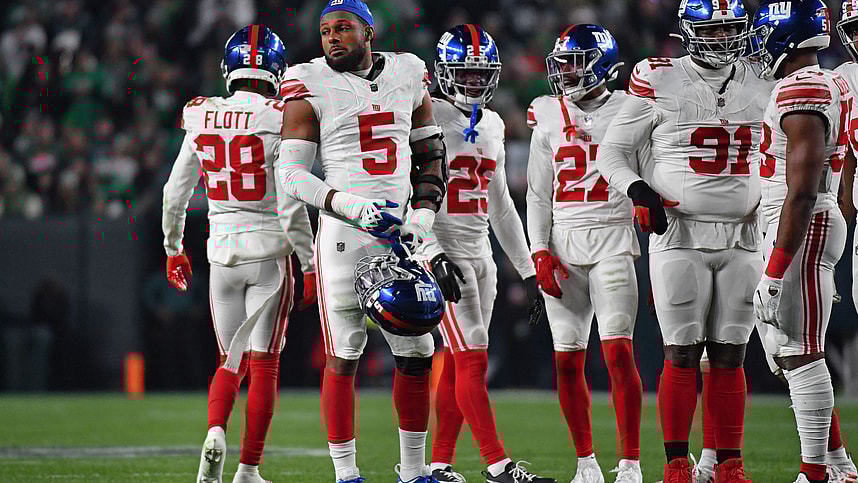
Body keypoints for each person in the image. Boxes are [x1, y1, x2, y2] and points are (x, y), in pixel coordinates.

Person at [596, 0, 773, 481]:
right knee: (682, 350)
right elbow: (612, 151)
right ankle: (677, 463)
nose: (722, 40)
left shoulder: (763, 78)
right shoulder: (660, 77)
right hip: (679, 233)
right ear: (688, 32)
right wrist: (638, 191)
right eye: (712, 31)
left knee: (731, 352)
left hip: (744, 234)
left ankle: (728, 464)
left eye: (731, 30)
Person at [276, 1, 447, 482]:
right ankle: (345, 475)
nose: (332, 37)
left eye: (343, 28)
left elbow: (431, 153)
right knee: (344, 353)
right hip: (343, 236)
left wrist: (424, 214)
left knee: (417, 352)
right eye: (325, 30)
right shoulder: (309, 80)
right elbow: (289, 174)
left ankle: (413, 472)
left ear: (369, 31)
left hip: (398, 237)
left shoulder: (409, 71)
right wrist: (347, 204)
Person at [161, 25, 315, 483]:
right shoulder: (280, 115)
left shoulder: (202, 114)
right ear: (276, 69)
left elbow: (175, 193)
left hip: (221, 253)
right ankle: (248, 469)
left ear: (229, 70)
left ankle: (214, 430)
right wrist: (309, 263)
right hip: (270, 253)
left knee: (230, 359)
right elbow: (290, 201)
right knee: (265, 363)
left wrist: (173, 248)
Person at [420, 23, 554, 483]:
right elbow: (405, 193)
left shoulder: (493, 123)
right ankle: (498, 463)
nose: (474, 81)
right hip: (441, 252)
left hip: (481, 255)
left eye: (482, 73)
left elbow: (500, 205)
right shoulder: (426, 113)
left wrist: (527, 269)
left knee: (462, 360)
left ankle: (438, 465)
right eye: (465, 72)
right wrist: (431, 252)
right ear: (443, 71)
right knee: (473, 355)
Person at [525, 24, 644, 483]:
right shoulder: (547, 113)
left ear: (601, 63)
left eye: (576, 61)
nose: (566, 71)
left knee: (617, 353)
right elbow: (538, 193)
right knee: (567, 358)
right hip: (564, 246)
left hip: (613, 237)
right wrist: (538, 250)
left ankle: (630, 463)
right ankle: (586, 463)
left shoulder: (632, 110)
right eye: (563, 62)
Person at [749, 1, 853, 482]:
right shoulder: (819, 82)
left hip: (803, 223)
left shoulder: (805, 86)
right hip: (797, 222)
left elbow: (803, 189)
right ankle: (838, 464)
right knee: (785, 348)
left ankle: (814, 473)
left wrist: (775, 270)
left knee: (801, 348)